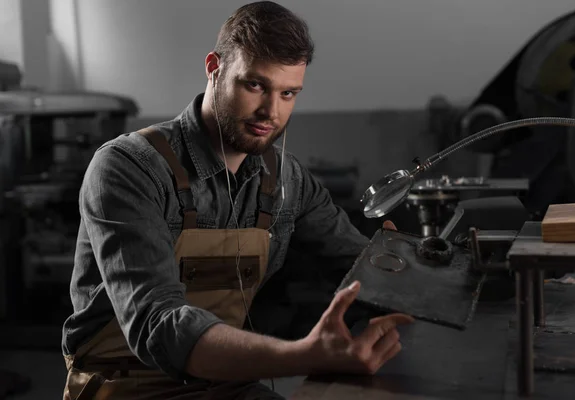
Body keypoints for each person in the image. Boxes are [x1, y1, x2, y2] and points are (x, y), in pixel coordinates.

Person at [61, 2, 413, 399]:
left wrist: (411, 272)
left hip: (227, 384)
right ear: (214, 67)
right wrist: (303, 355)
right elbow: (159, 325)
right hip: (125, 386)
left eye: (288, 93)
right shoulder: (129, 168)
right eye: (255, 85)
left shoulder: (288, 180)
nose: (271, 112)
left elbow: (358, 267)